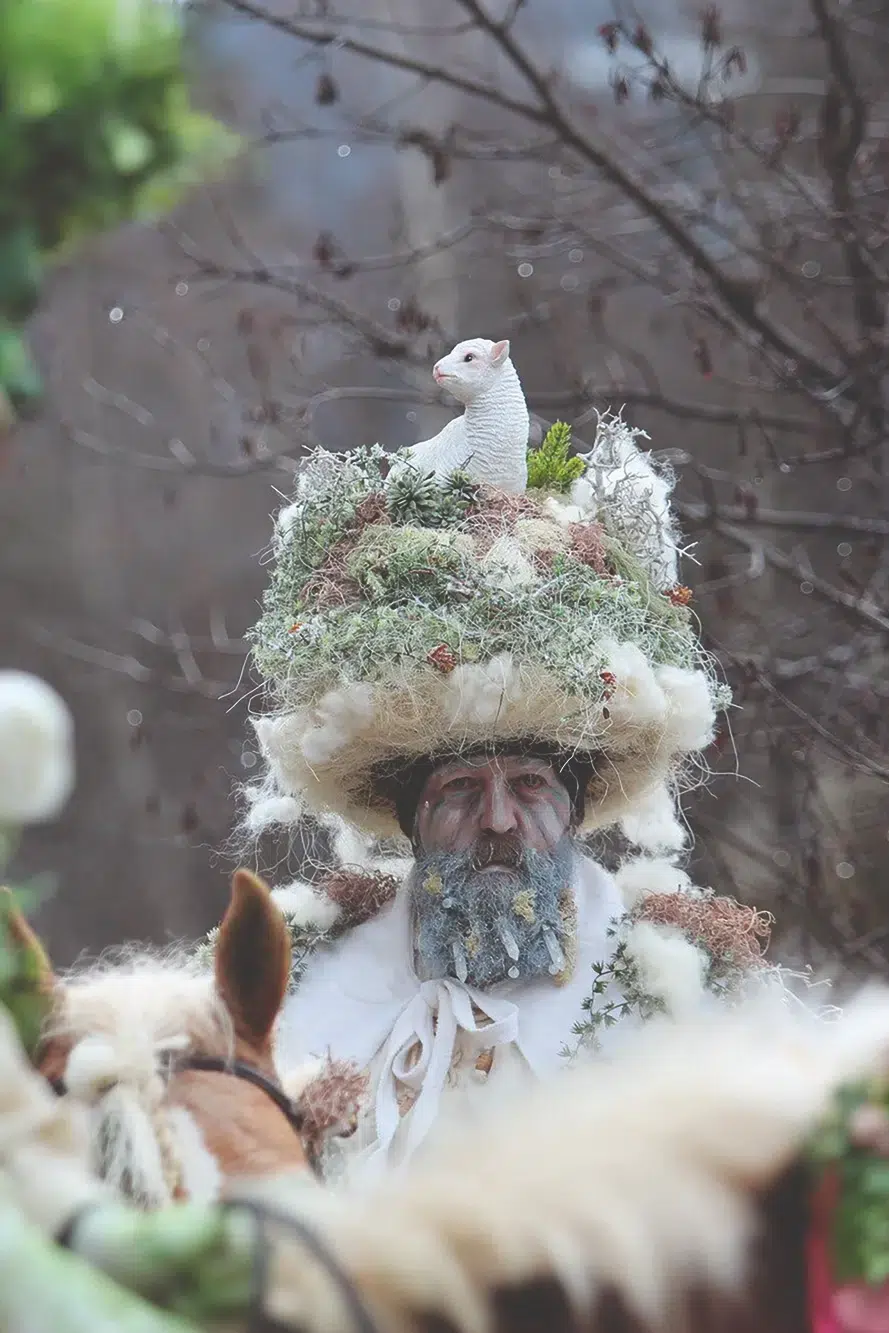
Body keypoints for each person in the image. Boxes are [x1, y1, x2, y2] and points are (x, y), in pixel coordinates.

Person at [230, 396, 779, 1179]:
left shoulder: (684, 992)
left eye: (529, 784)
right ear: (408, 813)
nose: (496, 819)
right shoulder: (300, 984)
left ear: (577, 804)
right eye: (456, 788)